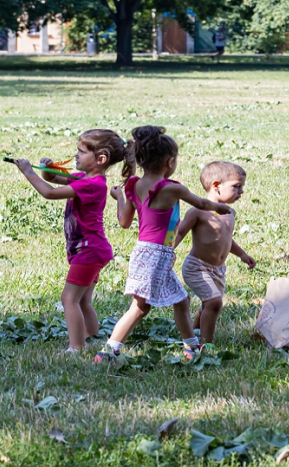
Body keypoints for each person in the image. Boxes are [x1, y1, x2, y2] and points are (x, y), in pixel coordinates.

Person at [95, 126, 232, 363]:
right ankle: (108, 351)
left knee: (181, 300)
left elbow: (124, 222)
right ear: (170, 162)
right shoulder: (172, 188)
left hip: (145, 252)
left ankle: (191, 347)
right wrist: (219, 207)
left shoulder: (134, 186)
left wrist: (119, 199)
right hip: (157, 254)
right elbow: (201, 203)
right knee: (140, 307)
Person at [10, 130, 128, 353]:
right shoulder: (86, 178)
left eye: (81, 152)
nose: (76, 155)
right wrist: (46, 168)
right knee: (83, 301)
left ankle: (77, 347)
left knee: (69, 299)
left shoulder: (90, 184)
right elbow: (53, 180)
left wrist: (27, 172)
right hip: (93, 249)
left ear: (101, 159)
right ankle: (92, 336)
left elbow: (49, 193)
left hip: (88, 251)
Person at [173, 161, 256, 344]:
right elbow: (180, 232)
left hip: (218, 270)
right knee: (214, 302)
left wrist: (242, 254)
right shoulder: (198, 212)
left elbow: (226, 239)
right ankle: (206, 345)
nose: (241, 191)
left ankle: (194, 330)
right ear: (216, 186)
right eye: (236, 186)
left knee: (208, 304)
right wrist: (168, 251)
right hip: (197, 267)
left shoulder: (230, 213)